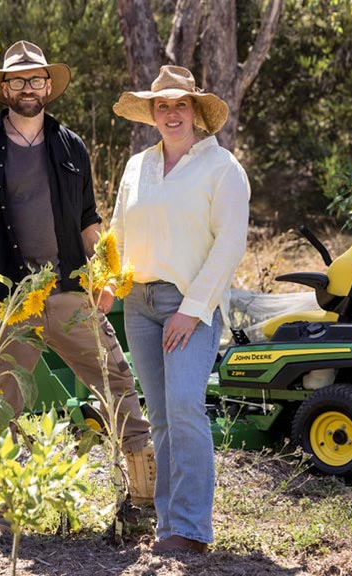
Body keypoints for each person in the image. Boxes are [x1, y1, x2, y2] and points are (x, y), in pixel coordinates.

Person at [0, 41, 155, 505]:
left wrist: (101, 281)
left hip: (69, 296)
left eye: (35, 80)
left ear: (48, 87)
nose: (27, 88)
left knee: (117, 381)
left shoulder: (70, 145)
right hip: (10, 301)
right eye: (17, 80)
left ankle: (143, 499)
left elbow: (88, 223)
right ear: (4, 89)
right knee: (2, 404)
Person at [110, 65, 250, 553]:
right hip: (138, 304)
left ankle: (191, 530)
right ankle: (168, 525)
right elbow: (118, 235)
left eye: (180, 104)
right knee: (163, 416)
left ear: (196, 112)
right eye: (162, 105)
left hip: (189, 303)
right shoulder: (136, 166)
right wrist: (109, 283)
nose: (171, 113)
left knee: (186, 406)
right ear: (152, 113)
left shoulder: (222, 169)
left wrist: (191, 309)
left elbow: (229, 245)